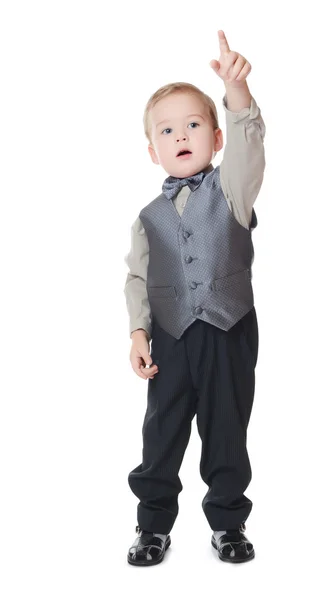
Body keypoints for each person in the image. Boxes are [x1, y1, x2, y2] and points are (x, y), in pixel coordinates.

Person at [123, 30, 266, 566]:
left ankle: (229, 523)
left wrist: (235, 93)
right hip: (170, 337)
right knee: (161, 431)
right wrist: (139, 332)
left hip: (228, 329)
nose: (181, 135)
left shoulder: (232, 188)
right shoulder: (147, 218)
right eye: (167, 129)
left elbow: (251, 146)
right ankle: (152, 525)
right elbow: (137, 279)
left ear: (215, 137)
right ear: (152, 148)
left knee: (226, 428)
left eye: (193, 124)